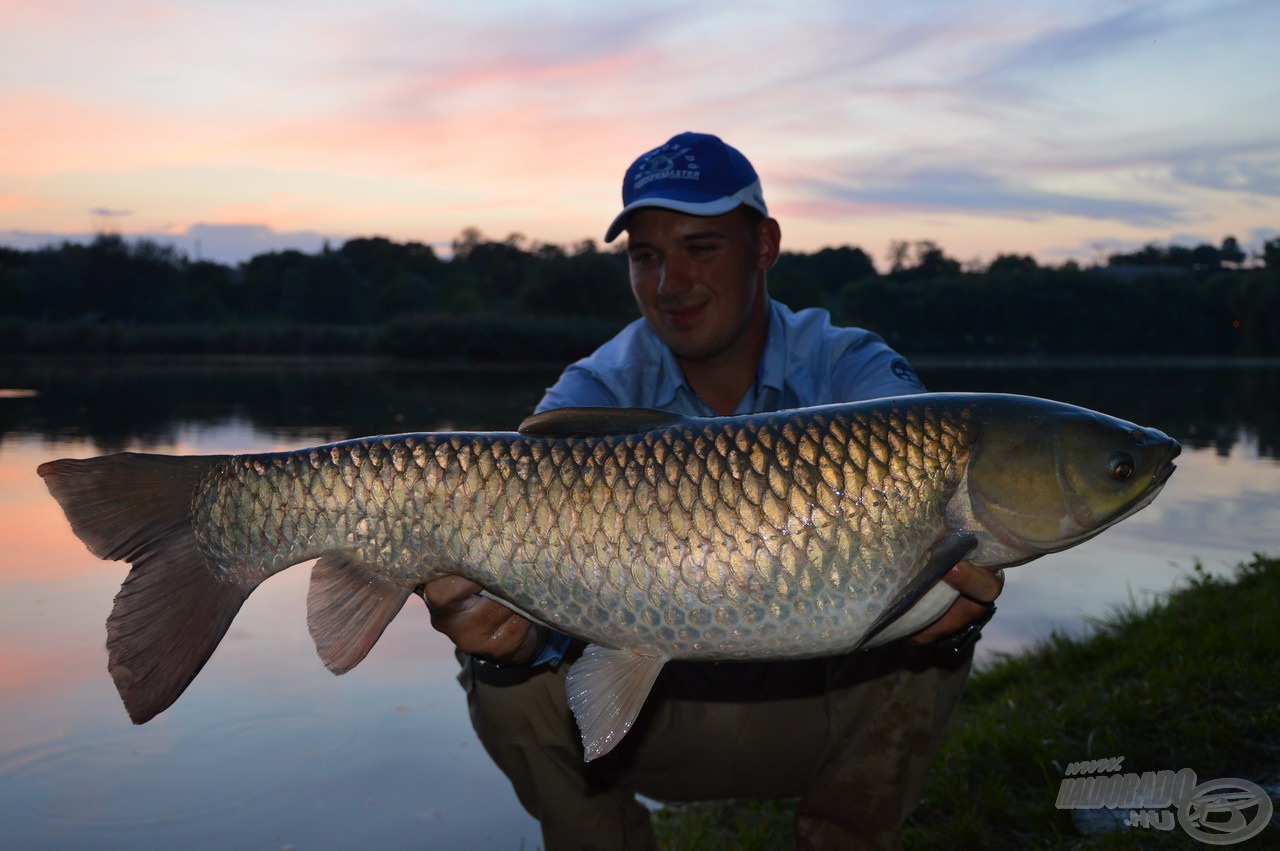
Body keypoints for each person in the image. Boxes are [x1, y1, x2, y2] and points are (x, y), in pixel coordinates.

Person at [421, 132, 1004, 850]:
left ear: (764, 244)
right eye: (646, 256)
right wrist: (507, 634)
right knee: (496, 671)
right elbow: (534, 609)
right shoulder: (592, 393)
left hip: (822, 707)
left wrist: (955, 607)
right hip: (646, 724)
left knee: (941, 603)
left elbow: (939, 468)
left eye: (700, 248)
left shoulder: (852, 367)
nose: (671, 283)